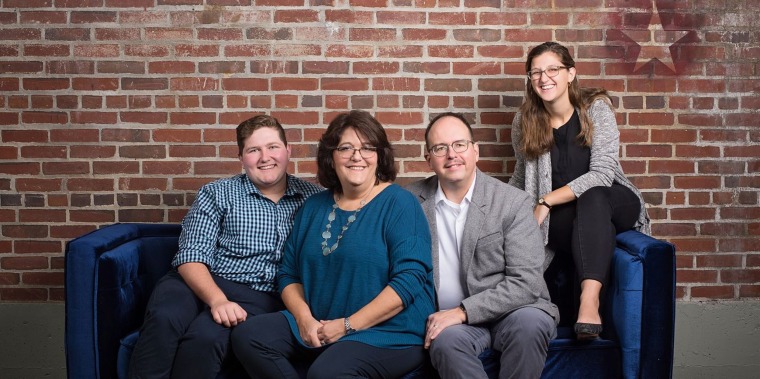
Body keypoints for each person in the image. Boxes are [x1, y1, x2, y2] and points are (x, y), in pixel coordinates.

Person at [230, 110, 436, 378]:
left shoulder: (400, 204)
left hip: (388, 331)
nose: (356, 156)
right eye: (345, 148)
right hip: (321, 321)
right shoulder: (314, 206)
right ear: (331, 156)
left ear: (380, 155)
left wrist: (347, 326)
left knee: (326, 372)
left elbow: (409, 281)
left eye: (367, 148)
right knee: (249, 336)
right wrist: (304, 319)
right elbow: (288, 274)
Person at [128, 115, 323, 379]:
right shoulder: (217, 193)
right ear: (241, 157)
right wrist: (218, 300)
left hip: (259, 294)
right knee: (165, 318)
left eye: (273, 147)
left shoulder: (313, 200)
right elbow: (190, 255)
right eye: (254, 150)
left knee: (206, 338)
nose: (265, 157)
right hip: (194, 279)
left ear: (288, 151)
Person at [509, 41, 651, 340]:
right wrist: (502, 215)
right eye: (535, 72)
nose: (543, 78)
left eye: (552, 69)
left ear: (570, 73)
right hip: (569, 215)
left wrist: (545, 201)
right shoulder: (525, 120)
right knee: (575, 218)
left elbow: (602, 174)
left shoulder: (596, 108)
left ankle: (590, 299)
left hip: (613, 200)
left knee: (594, 194)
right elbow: (521, 178)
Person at [406, 112, 559, 379]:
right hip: (451, 324)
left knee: (530, 324)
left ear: (476, 151)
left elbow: (526, 282)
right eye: (440, 148)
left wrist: (463, 311)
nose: (451, 154)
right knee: (445, 343)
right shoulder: (408, 201)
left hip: (514, 313)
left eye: (460, 144)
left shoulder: (513, 202)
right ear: (429, 160)